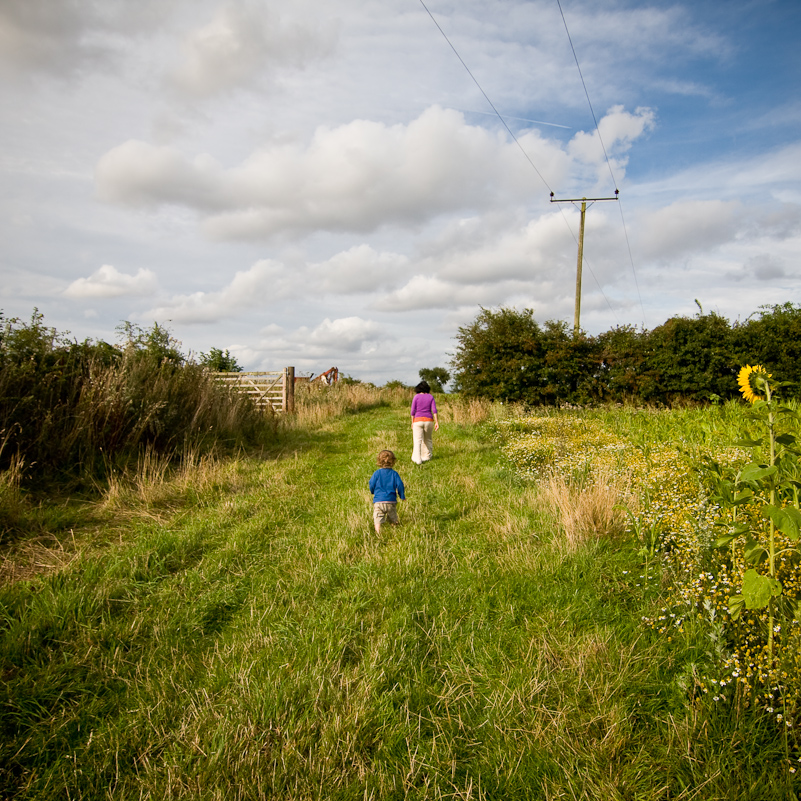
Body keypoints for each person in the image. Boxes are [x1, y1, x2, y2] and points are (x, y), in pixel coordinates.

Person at [369, 449, 405, 533]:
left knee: (377, 517)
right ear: (392, 462)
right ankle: (395, 530)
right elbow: (400, 484)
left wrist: (372, 491)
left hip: (378, 501)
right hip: (391, 500)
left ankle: (378, 532)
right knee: (393, 517)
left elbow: (371, 483)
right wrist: (402, 495)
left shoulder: (377, 473)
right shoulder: (394, 474)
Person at [410, 380, 439, 465]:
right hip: (429, 421)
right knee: (428, 439)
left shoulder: (416, 397)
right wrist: (436, 421)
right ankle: (427, 457)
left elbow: (412, 411)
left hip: (418, 420)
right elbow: (434, 410)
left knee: (417, 440)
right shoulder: (430, 397)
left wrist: (412, 422)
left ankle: (418, 459)